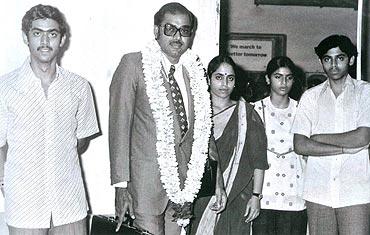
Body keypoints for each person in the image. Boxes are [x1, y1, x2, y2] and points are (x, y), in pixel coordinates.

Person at [109, 3, 226, 235]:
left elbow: (204, 132)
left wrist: (218, 180)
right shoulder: (133, 65)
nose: (177, 37)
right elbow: (119, 127)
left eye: (184, 30)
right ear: (156, 31)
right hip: (143, 187)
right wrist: (121, 186)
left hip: (184, 188)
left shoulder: (195, 71)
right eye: (170, 29)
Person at [0, 4, 99, 235]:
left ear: (62, 39)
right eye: (37, 33)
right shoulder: (4, 88)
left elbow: (81, 140)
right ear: (26, 37)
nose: (45, 41)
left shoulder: (79, 87)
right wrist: (4, 182)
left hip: (70, 204)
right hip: (25, 207)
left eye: (52, 34)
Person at [291, 35, 370, 235]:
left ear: (351, 60)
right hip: (318, 192)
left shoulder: (365, 92)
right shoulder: (310, 97)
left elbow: (362, 137)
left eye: (340, 58)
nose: (334, 64)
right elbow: (300, 145)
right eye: (328, 59)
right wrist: (344, 148)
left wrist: (318, 138)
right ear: (321, 62)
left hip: (355, 192)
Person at [190, 55, 268, 235]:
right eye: (219, 77)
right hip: (201, 194)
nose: (224, 83)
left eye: (230, 78)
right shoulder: (196, 112)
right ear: (208, 79)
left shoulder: (246, 114)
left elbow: (259, 161)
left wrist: (256, 197)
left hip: (237, 194)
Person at [252, 56, 307, 235]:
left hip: (295, 193)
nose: (283, 82)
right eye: (277, 76)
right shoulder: (255, 110)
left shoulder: (303, 110)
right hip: (264, 195)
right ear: (268, 78)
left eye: (288, 77)